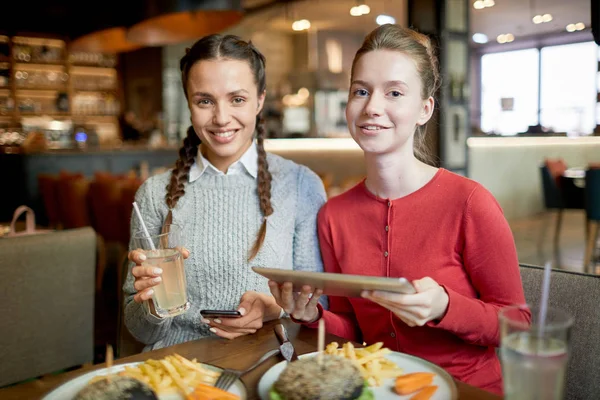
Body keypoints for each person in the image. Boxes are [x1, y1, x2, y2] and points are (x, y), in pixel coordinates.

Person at [268, 24, 527, 396]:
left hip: (465, 390)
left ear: (425, 109)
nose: (372, 107)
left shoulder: (469, 202)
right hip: (380, 388)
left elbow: (519, 325)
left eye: (394, 93)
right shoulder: (333, 216)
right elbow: (352, 330)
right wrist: (313, 316)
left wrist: (445, 307)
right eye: (361, 91)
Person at [124, 34, 327, 350]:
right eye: (204, 100)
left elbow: (318, 304)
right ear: (189, 103)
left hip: (265, 361)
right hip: (178, 369)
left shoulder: (300, 185)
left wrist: (274, 310)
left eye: (237, 99)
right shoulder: (153, 195)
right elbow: (139, 330)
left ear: (260, 100)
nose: (221, 118)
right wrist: (152, 305)